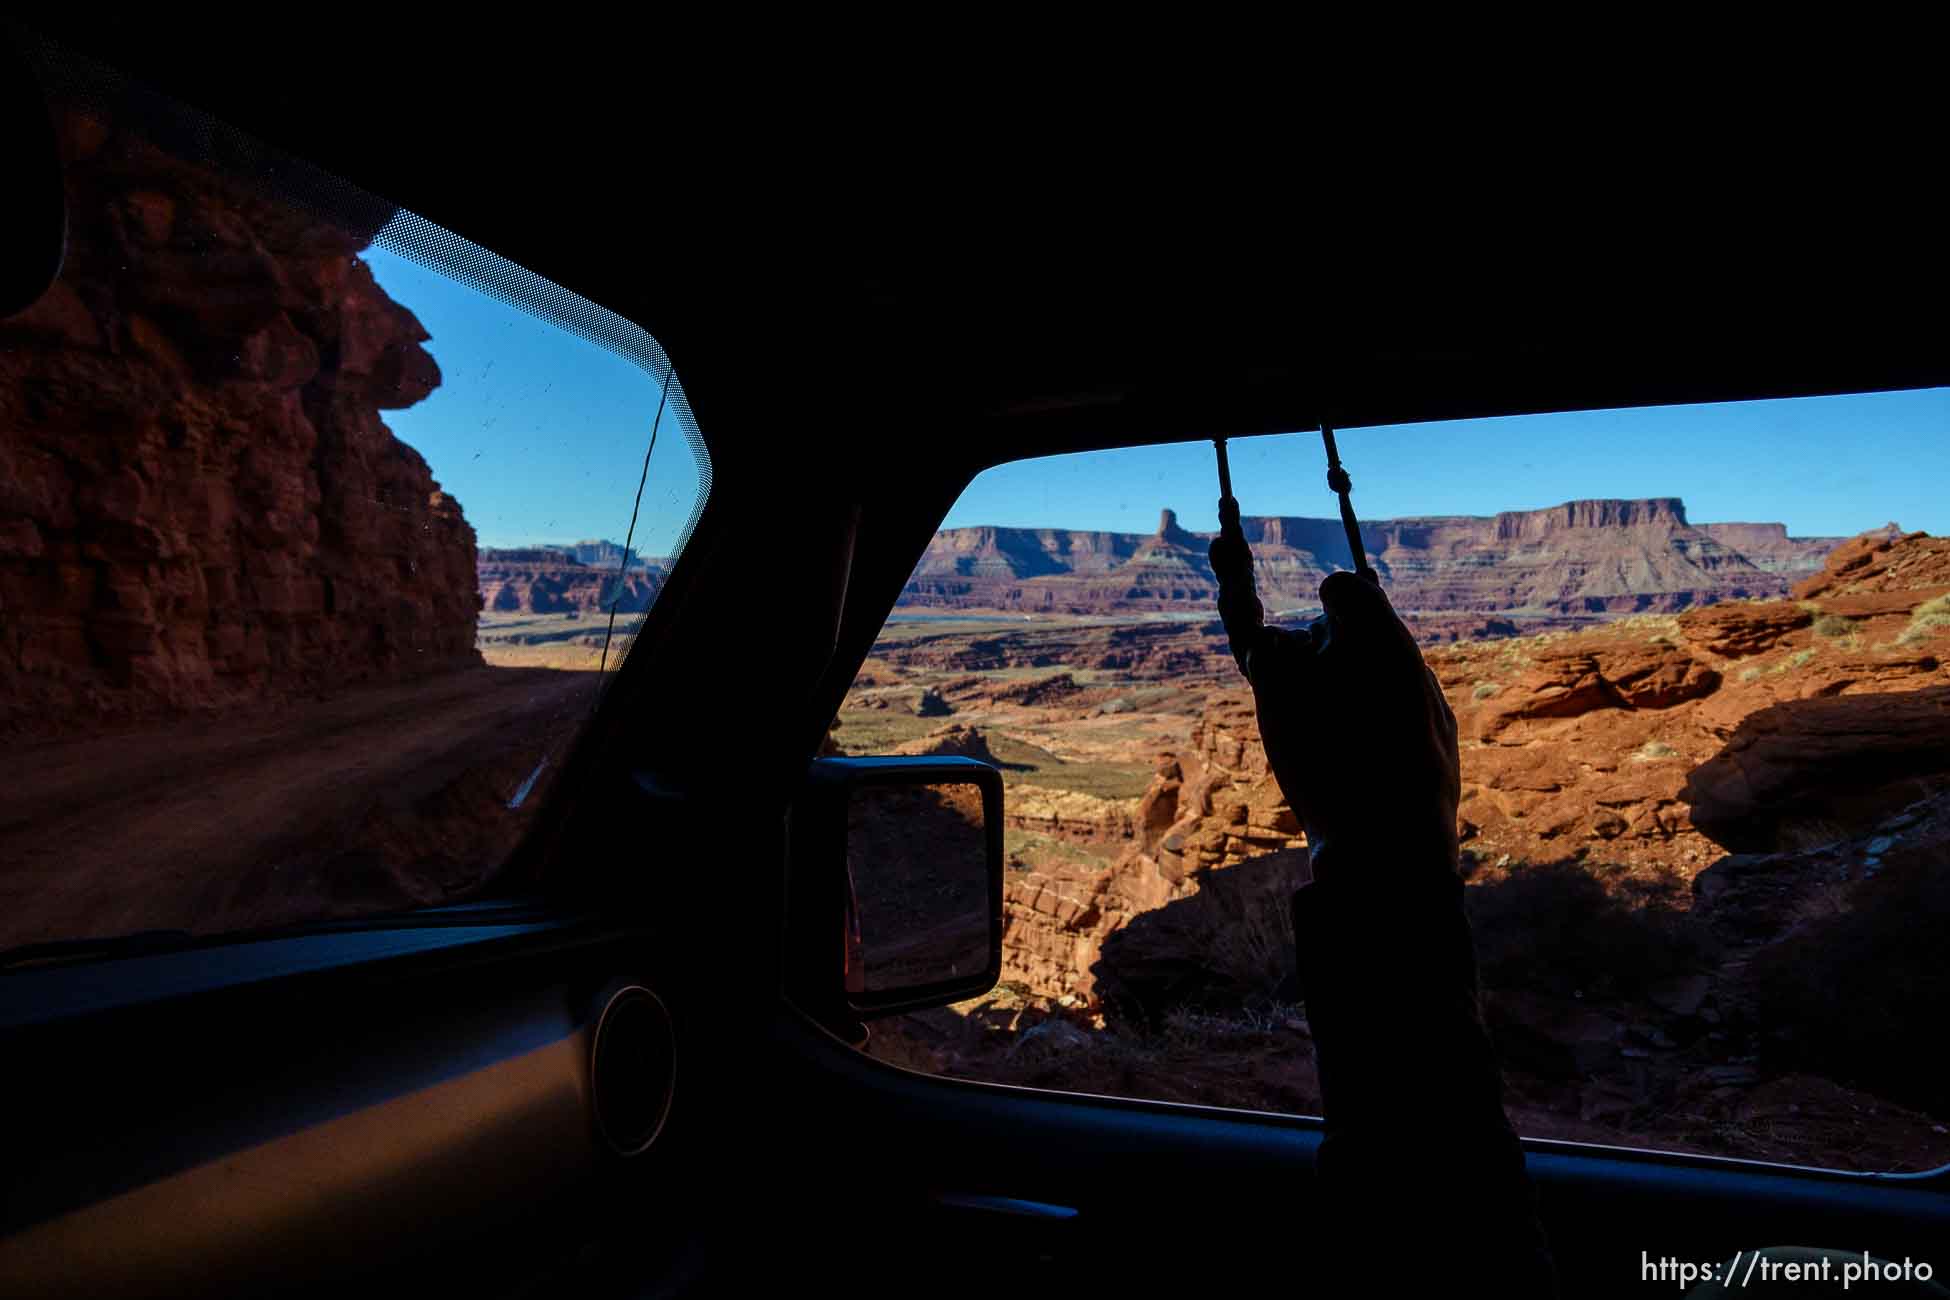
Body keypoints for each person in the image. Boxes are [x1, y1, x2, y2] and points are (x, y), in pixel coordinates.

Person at [1208, 529, 1559, 1295]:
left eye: (1321, 633)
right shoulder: (1412, 705)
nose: (1308, 636)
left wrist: (1234, 582)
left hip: (1364, 932)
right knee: (1471, 1151)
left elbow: (1252, 646)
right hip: (1428, 922)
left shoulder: (1340, 718)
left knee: (1372, 1168)